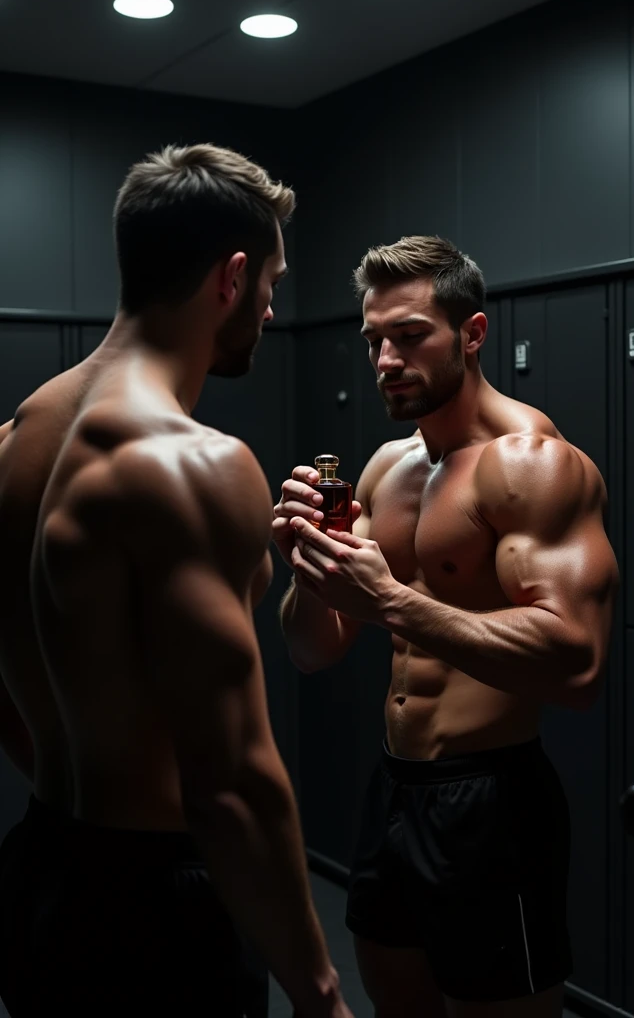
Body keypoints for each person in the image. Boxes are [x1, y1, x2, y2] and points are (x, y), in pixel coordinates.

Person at [0, 143, 353, 1018]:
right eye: (270, 282)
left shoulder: (18, 439)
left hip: (45, 866)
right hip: (162, 914)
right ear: (230, 278)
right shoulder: (192, 464)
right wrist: (320, 991)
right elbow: (233, 779)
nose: (272, 308)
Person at [273, 236, 619, 1018]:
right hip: (394, 787)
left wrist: (392, 601)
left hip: (494, 801)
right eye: (373, 340)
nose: (385, 359)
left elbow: (580, 666)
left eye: (409, 335)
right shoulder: (385, 469)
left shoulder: (533, 466)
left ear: (472, 334)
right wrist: (307, 570)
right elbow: (314, 650)